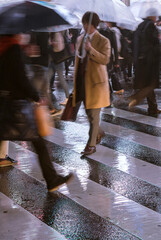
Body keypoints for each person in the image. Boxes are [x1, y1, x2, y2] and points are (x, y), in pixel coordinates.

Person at [0, 34, 72, 191]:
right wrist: (36, 96)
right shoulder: (13, 49)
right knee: (38, 141)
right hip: (17, 105)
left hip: (4, 103)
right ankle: (52, 179)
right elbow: (21, 79)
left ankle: (52, 179)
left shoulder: (4, 48)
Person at [72, 12, 111, 155]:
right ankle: (99, 132)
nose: (85, 26)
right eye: (84, 23)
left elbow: (105, 59)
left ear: (94, 24)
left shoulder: (103, 40)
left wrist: (91, 50)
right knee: (88, 113)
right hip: (82, 81)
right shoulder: (80, 38)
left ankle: (91, 145)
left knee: (94, 115)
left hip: (96, 83)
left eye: (87, 23)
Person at [129, 8, 161, 116]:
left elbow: (134, 43)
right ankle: (135, 98)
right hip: (150, 62)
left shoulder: (140, 26)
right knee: (150, 85)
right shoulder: (151, 27)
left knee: (148, 85)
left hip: (141, 61)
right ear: (152, 16)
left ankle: (153, 108)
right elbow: (154, 45)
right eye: (155, 16)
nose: (156, 17)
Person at [48, 31, 70, 106]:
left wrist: (53, 44)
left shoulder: (57, 34)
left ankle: (68, 98)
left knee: (61, 79)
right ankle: (46, 98)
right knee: (47, 79)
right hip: (52, 61)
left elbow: (60, 47)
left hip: (58, 61)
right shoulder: (51, 34)